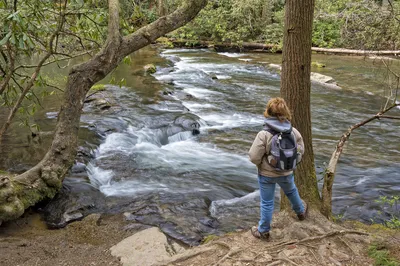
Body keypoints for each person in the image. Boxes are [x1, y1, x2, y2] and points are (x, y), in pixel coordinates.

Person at [248, 97, 307, 240]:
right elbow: (301, 150)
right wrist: (291, 163)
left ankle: (263, 231)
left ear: (268, 112)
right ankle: (300, 212)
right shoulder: (293, 132)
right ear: (285, 112)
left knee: (267, 203)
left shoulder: (264, 134)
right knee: (292, 191)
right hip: (287, 171)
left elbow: (254, 157)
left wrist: (262, 164)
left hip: (267, 175)